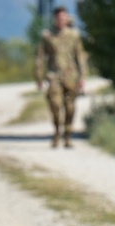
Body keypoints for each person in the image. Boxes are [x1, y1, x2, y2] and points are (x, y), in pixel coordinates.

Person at [34, 6, 88, 148]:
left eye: (63, 17)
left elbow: (80, 57)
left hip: (71, 76)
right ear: (55, 19)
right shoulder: (47, 36)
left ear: (67, 18)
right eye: (58, 17)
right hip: (54, 76)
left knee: (70, 107)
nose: (61, 20)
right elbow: (40, 57)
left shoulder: (73, 35)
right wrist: (38, 77)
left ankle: (68, 135)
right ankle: (57, 131)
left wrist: (83, 77)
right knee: (55, 105)